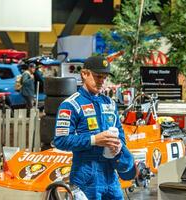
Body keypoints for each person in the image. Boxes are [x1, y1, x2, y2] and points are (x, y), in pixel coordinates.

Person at [54, 56, 133, 199]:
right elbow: (60, 140)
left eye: (105, 77)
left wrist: (119, 145)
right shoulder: (70, 105)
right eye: (98, 76)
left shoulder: (110, 103)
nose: (102, 81)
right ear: (84, 74)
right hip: (85, 177)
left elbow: (121, 135)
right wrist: (94, 140)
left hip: (111, 175)